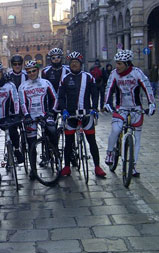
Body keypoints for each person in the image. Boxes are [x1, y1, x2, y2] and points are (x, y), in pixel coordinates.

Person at [104, 49, 155, 177]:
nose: (117, 66)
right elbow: (108, 88)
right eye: (116, 63)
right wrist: (107, 103)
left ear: (127, 63)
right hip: (121, 108)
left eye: (120, 63)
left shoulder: (137, 73)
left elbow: (147, 88)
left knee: (137, 138)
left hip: (136, 109)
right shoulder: (114, 74)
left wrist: (151, 104)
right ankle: (110, 152)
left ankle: (133, 166)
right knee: (116, 130)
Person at [57, 51, 106, 178]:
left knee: (92, 141)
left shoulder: (89, 77)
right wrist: (63, 110)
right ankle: (67, 166)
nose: (74, 65)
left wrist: (94, 108)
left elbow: (95, 94)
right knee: (68, 142)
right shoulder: (65, 79)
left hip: (86, 114)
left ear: (80, 64)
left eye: (76, 63)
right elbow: (61, 97)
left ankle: (97, 167)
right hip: (71, 116)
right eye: (72, 63)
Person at [19, 60, 58, 180]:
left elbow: (55, 98)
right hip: (31, 117)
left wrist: (52, 111)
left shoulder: (46, 83)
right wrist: (26, 115)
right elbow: (22, 103)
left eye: (34, 71)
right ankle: (33, 169)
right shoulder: (23, 86)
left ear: (38, 70)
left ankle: (54, 155)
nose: (31, 73)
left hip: (45, 114)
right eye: (29, 72)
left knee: (52, 132)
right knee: (32, 144)